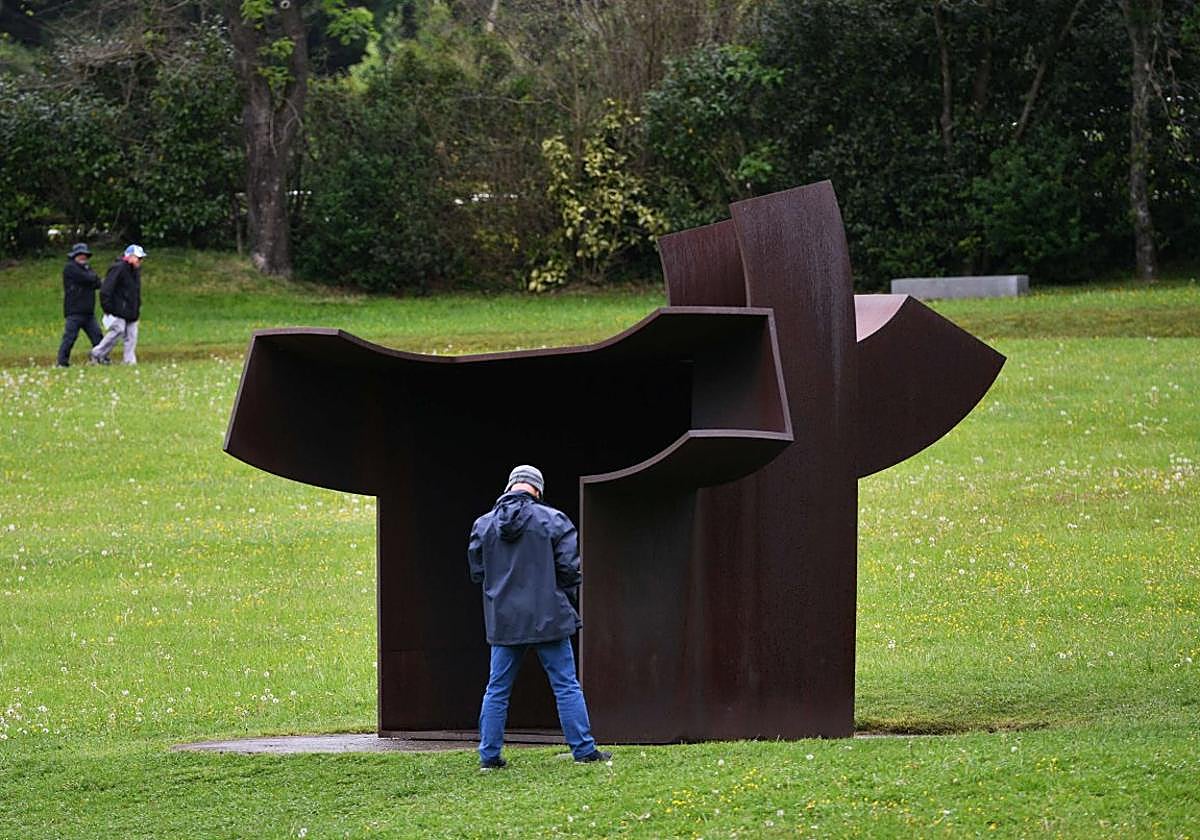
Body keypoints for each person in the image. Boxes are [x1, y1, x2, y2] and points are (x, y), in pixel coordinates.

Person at [468, 464, 611, 770]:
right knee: (566, 685)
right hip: (549, 617)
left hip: (504, 620)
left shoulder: (483, 525)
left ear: (510, 487)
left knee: (497, 689)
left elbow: (478, 572)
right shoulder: (553, 520)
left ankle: (489, 756)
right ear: (537, 489)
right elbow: (570, 571)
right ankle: (584, 751)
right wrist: (562, 601)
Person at [90, 244, 146, 365]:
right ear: (129, 256)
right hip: (118, 309)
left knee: (132, 336)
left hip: (132, 310)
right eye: (138, 258)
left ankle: (129, 361)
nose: (140, 261)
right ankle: (97, 353)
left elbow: (135, 290)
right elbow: (106, 289)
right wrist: (107, 307)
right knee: (118, 331)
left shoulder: (135, 271)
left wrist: (137, 306)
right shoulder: (118, 268)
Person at [56, 243, 103, 367]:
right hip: (74, 311)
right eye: (80, 255)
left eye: (85, 255)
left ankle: (102, 358)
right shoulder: (70, 268)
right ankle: (62, 362)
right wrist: (92, 277)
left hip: (88, 311)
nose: (83, 257)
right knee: (70, 338)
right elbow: (88, 278)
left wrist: (92, 277)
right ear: (75, 256)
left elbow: (97, 283)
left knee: (97, 336)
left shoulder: (87, 268)